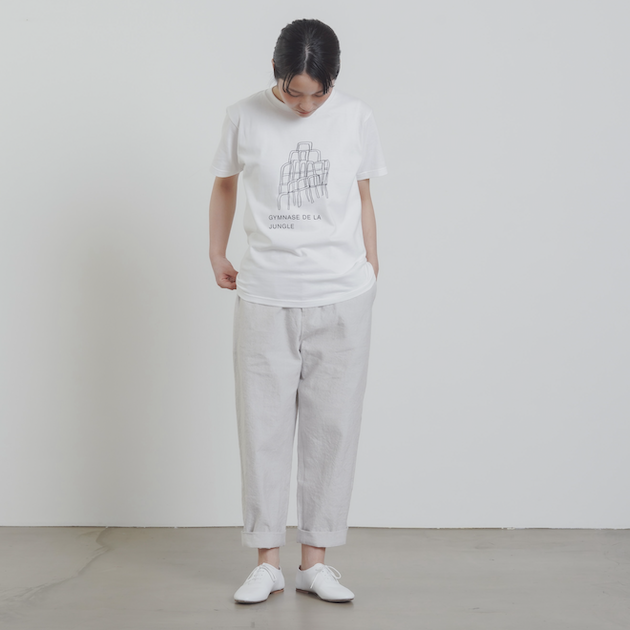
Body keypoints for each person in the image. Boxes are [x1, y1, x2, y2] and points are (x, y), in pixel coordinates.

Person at [208, 18, 387, 604]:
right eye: (293, 92)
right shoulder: (243, 115)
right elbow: (225, 184)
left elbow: (363, 195)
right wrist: (216, 252)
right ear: (276, 73)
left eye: (318, 94)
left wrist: (372, 268)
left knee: (332, 429)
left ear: (333, 81)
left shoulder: (357, 116)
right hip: (266, 295)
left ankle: (316, 563)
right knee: (262, 428)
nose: (305, 105)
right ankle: (266, 562)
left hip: (342, 296)